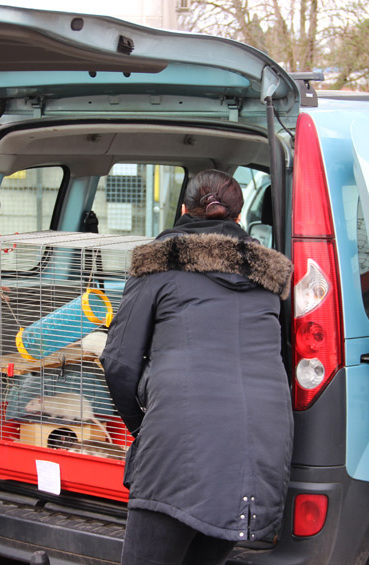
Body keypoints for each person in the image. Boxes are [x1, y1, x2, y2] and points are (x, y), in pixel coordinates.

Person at [100, 169, 293, 565]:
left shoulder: (159, 264)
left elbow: (118, 363)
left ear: (184, 210)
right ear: (238, 219)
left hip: (178, 440)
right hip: (262, 447)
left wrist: (143, 428)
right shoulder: (271, 278)